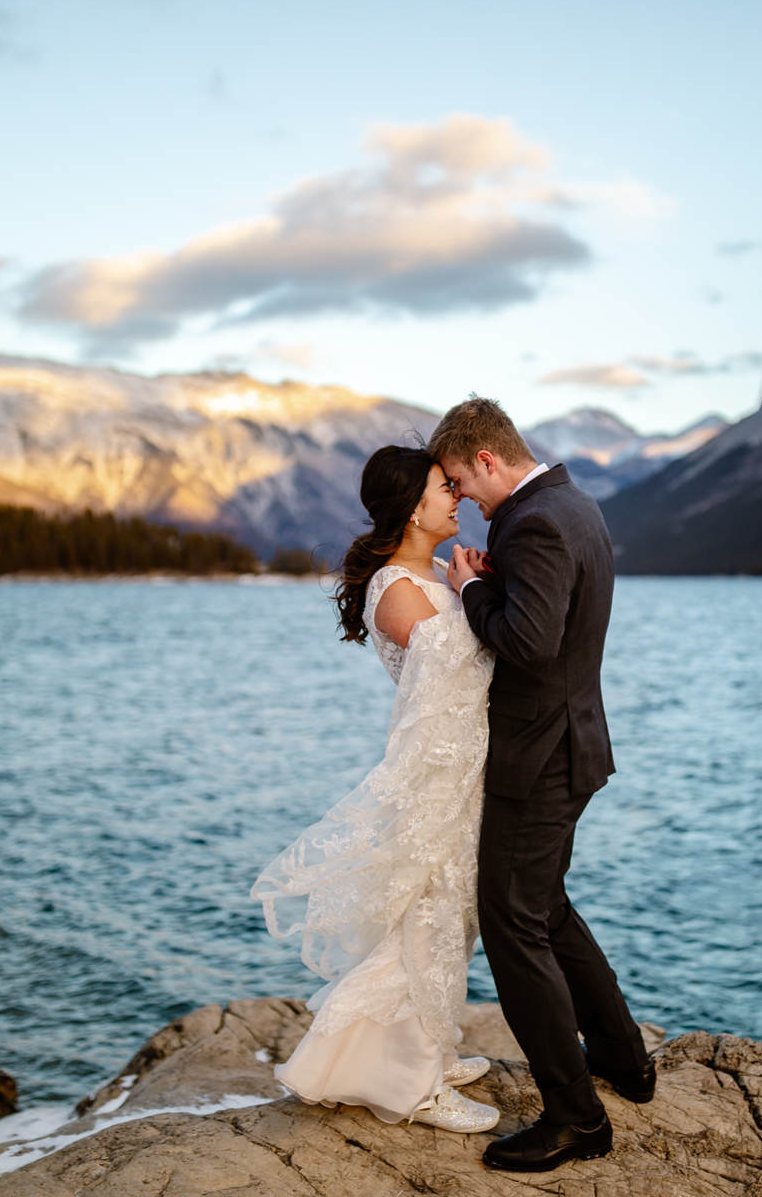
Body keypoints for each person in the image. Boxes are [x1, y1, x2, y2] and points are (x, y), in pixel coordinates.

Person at [430, 396, 655, 1172]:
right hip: (571, 744)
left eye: (460, 481)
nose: (461, 498)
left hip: (541, 755)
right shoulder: (572, 503)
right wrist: (497, 586)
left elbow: (527, 643)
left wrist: (470, 591)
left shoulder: (535, 521)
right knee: (546, 906)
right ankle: (625, 1061)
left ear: (487, 459)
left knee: (512, 922)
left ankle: (577, 1119)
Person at [251, 444, 500, 1133]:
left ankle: (429, 1050)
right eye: (443, 488)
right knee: (422, 925)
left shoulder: (433, 579)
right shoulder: (396, 589)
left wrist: (469, 586)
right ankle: (410, 1085)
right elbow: (461, 677)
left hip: (464, 776)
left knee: (453, 922)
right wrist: (479, 593)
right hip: (433, 780)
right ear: (411, 506)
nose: (457, 497)